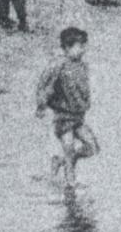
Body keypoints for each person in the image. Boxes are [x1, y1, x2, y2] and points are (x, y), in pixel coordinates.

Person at [35, 27, 98, 184]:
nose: (83, 50)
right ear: (67, 47)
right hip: (62, 117)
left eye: (84, 46)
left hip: (78, 117)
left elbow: (84, 89)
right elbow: (45, 86)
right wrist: (41, 105)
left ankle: (59, 161)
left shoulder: (83, 66)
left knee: (92, 147)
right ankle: (70, 185)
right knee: (69, 147)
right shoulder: (58, 66)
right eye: (79, 46)